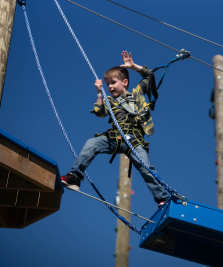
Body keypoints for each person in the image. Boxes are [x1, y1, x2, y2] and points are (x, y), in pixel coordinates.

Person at [61, 51, 169, 207]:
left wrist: (132, 66)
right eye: (108, 85)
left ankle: (162, 198)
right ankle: (75, 177)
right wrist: (99, 93)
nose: (110, 87)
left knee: (146, 168)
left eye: (113, 82)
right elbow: (99, 112)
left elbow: (150, 76)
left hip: (135, 141)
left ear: (124, 82)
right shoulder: (110, 101)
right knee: (91, 144)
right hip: (115, 138)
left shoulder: (137, 93)